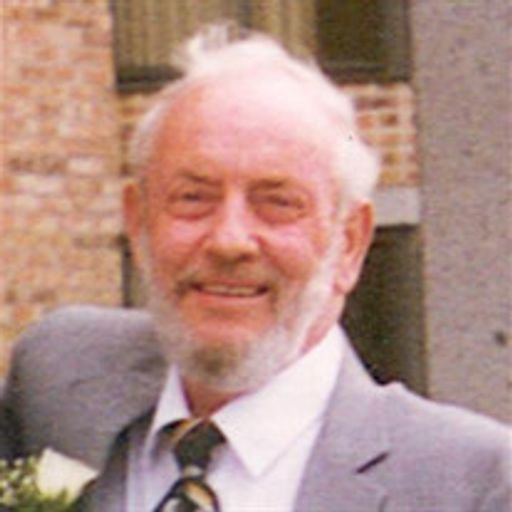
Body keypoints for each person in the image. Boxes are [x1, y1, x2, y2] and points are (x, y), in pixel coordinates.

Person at [3, 26, 510, 512]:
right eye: (193, 198)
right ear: (138, 222)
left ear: (349, 243)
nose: (230, 240)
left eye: (278, 203)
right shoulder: (61, 379)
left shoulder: (472, 485)